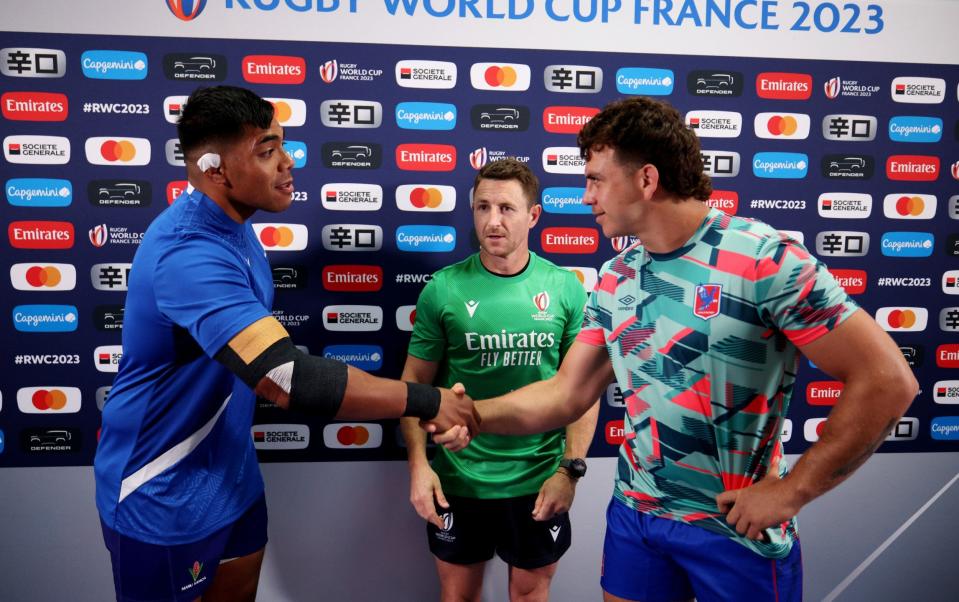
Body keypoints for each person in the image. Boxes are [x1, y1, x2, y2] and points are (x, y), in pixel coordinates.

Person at [437, 97, 917, 602]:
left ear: (646, 179)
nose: (586, 196)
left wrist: (792, 491)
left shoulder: (763, 261)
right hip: (636, 518)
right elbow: (565, 394)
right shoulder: (615, 279)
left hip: (734, 530)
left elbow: (888, 382)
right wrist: (472, 414)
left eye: (597, 179)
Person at [93, 85, 477, 602]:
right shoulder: (186, 254)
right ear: (216, 170)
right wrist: (431, 402)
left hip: (233, 482)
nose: (288, 163)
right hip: (161, 493)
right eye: (266, 151)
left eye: (282, 146)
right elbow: (284, 378)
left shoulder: (236, 227)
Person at [400, 158, 599, 602]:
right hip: (459, 481)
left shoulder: (566, 287)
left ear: (533, 215)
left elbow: (582, 393)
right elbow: (413, 387)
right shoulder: (443, 289)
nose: (492, 221)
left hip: (538, 480)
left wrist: (570, 471)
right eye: (482, 207)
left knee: (531, 594)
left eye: (507, 208)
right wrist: (418, 467)